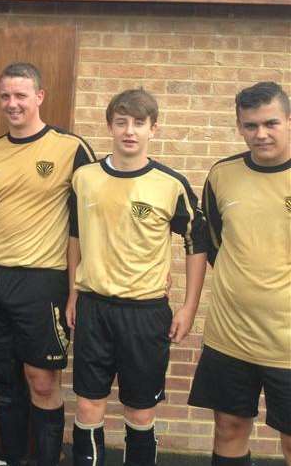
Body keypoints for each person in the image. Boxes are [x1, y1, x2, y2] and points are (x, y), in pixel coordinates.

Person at [0, 63, 95, 466]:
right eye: (6, 96)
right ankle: (13, 457)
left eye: (21, 95)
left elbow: (91, 217)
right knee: (3, 377)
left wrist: (76, 288)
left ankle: (47, 460)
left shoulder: (70, 148)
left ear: (39, 96)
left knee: (41, 381)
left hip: (42, 282)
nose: (12, 104)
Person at [68, 89, 208, 466]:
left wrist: (189, 307)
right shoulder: (84, 178)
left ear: (153, 128)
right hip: (94, 307)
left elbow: (196, 242)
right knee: (87, 404)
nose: (130, 131)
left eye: (139, 123)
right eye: (122, 122)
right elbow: (75, 238)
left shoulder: (170, 183)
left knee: (141, 412)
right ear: (110, 126)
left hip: (145, 313)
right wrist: (72, 295)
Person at [187, 81, 291, 465]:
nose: (260, 134)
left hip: (287, 343)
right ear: (239, 126)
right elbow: (214, 243)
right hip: (231, 335)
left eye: (271, 123)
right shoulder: (221, 175)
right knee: (229, 427)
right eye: (250, 125)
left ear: (289, 120)